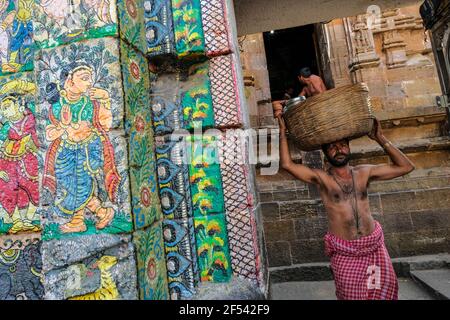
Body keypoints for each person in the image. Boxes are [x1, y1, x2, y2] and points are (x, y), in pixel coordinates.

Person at [272, 101, 415, 300]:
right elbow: (287, 164)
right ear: (325, 153)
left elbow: (406, 167)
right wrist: (282, 132)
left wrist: (380, 138)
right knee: (350, 296)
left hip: (374, 249)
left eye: (342, 145)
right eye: (332, 147)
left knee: (382, 294)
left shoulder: (364, 172)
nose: (338, 150)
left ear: (348, 148)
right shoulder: (322, 179)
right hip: (345, 253)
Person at [43, 63, 121, 233]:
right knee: (69, 186)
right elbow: (49, 134)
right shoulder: (57, 106)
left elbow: (106, 124)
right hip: (66, 152)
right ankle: (102, 212)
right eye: (84, 79)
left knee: (82, 185)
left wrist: (106, 99)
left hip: (87, 150)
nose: (89, 83)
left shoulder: (92, 104)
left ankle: (79, 220)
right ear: (69, 81)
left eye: (90, 79)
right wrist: (63, 126)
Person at [0, 84, 39, 233]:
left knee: (33, 188)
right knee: (8, 189)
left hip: (30, 161)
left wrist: (17, 85)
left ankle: (28, 220)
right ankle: (17, 221)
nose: (4, 111)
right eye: (2, 109)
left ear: (20, 105)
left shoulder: (31, 118)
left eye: (7, 106)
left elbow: (35, 91)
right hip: (9, 164)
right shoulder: (6, 128)